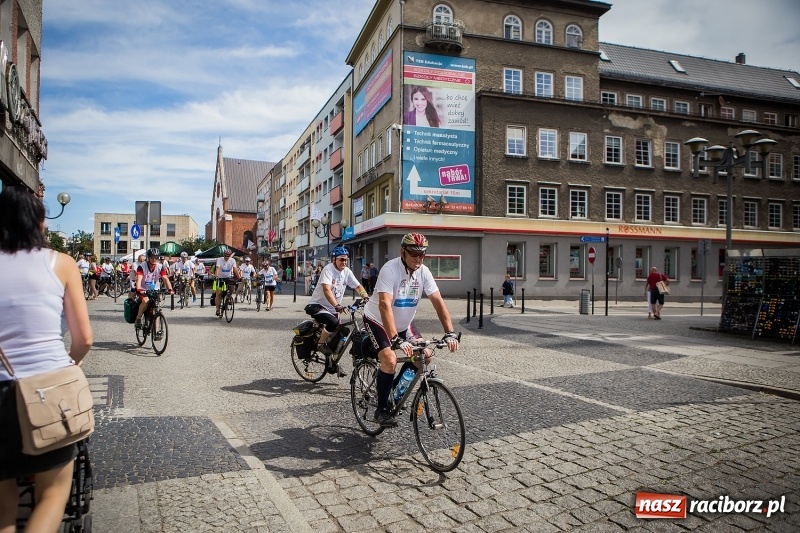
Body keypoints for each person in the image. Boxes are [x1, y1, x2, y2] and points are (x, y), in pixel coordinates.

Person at [0, 185, 93, 533]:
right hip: (45, 390)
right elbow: (84, 339)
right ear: (40, 223)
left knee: (3, 504)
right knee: (53, 494)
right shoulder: (60, 263)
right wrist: (71, 363)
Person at [363, 232, 459, 427]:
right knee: (390, 360)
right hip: (377, 320)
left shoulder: (424, 272)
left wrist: (450, 332)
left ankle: (395, 391)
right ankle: (381, 410)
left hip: (404, 323)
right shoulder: (390, 270)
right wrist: (395, 339)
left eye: (422, 254)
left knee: (425, 356)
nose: (418, 259)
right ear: (403, 252)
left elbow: (438, 302)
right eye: (414, 254)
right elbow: (384, 305)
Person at [304, 247, 368, 369]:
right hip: (318, 305)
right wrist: (337, 305)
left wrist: (365, 297)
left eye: (346, 260)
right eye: (341, 260)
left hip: (333, 309)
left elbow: (358, 286)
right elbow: (326, 290)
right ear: (334, 260)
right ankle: (321, 344)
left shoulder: (347, 272)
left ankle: (332, 360)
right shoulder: (328, 270)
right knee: (333, 323)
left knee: (342, 331)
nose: (344, 262)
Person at [134, 248, 174, 326]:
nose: (154, 259)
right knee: (145, 301)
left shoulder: (160, 267)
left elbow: (165, 278)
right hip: (143, 289)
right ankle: (138, 318)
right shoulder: (142, 266)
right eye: (152, 257)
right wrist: (139, 289)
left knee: (156, 307)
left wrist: (170, 289)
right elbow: (139, 278)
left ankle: (156, 330)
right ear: (148, 257)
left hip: (155, 289)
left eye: (156, 257)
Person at [212, 250, 238, 317]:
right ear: (223, 255)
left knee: (232, 289)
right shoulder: (219, 260)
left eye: (228, 256)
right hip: (220, 277)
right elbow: (217, 268)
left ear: (230, 256)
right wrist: (216, 276)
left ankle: (228, 299)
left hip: (229, 277)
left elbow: (235, 269)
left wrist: (239, 277)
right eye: (225, 256)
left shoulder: (232, 260)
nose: (226, 257)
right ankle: (217, 309)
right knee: (218, 293)